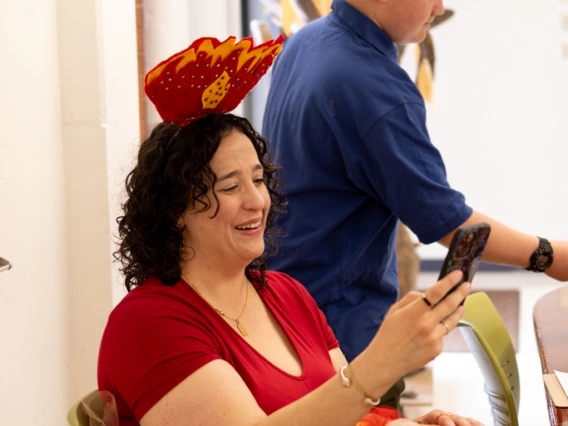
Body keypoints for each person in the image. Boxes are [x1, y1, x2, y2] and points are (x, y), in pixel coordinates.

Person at [97, 35, 482, 426]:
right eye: (230, 187)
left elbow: (347, 417)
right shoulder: (147, 325)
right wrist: (379, 364)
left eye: (259, 179)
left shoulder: (286, 293)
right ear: (175, 208)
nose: (257, 201)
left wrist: (404, 424)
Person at [261, 0, 568, 409]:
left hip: (281, 312)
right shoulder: (369, 84)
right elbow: (449, 223)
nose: (440, 8)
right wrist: (549, 256)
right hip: (339, 338)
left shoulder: (307, 43)